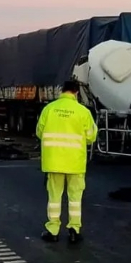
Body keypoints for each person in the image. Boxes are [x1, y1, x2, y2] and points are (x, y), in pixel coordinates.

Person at [36, 80, 98, 244]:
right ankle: (74, 231)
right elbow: (91, 137)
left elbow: (39, 132)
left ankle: (53, 231)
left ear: (61, 91)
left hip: (53, 161)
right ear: (76, 93)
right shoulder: (83, 111)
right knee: (75, 198)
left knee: (54, 197)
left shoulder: (49, 109)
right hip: (75, 163)